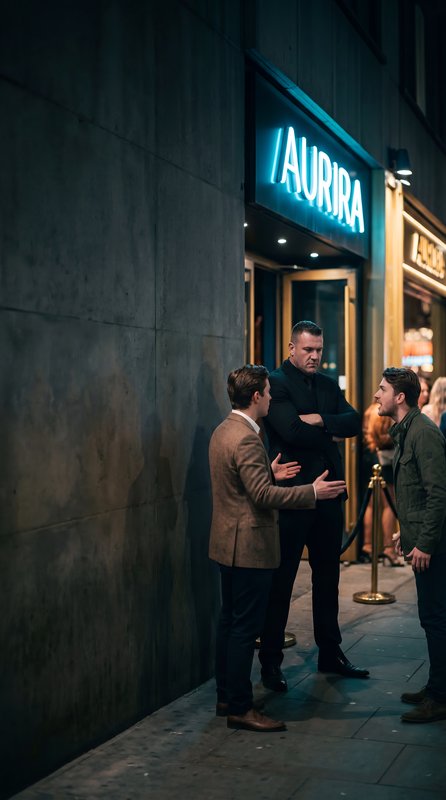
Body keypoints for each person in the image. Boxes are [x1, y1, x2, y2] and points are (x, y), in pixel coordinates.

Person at [208, 365, 347, 732]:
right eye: (268, 393)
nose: (272, 398)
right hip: (249, 546)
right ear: (256, 397)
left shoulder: (225, 430)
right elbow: (261, 496)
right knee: (243, 629)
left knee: (229, 623)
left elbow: (241, 485)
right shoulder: (248, 439)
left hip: (226, 544)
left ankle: (225, 696)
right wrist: (312, 492)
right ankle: (240, 707)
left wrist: (267, 472)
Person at [258, 321, 369, 691]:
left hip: (330, 496)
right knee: (282, 581)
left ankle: (330, 652)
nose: (315, 356)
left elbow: (354, 421)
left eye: (319, 350)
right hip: (294, 497)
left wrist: (321, 419)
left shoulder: (325, 384)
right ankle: (270, 663)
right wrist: (327, 435)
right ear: (292, 347)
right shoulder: (276, 382)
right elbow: (290, 431)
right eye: (308, 350)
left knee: (328, 579)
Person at [375, 367, 446, 723]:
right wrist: (408, 530)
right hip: (420, 538)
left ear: (400, 397)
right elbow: (417, 494)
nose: (377, 394)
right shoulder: (405, 430)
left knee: (436, 618)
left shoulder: (423, 432)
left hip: (434, 546)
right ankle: (437, 687)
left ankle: (440, 695)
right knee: (431, 617)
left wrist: (427, 543)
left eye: (382, 389)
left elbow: (438, 493)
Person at [361, 402, 401, 566]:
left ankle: (368, 546)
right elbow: (386, 439)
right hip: (385, 462)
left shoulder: (369, 410)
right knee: (389, 505)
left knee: (370, 505)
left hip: (369, 458)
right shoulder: (384, 412)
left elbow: (367, 435)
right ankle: (388, 549)